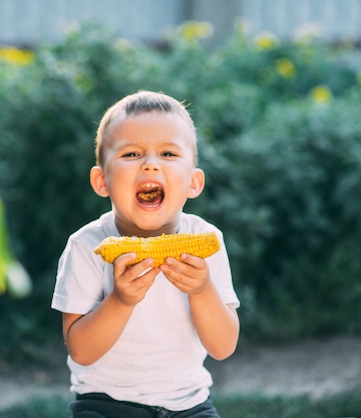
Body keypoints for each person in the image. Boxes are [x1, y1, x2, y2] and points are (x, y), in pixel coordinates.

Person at [51, 90, 240, 418]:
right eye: (131, 154)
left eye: (168, 153)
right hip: (106, 403)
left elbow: (223, 347)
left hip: (189, 404)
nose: (151, 164)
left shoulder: (207, 240)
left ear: (194, 183)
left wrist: (202, 289)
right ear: (102, 181)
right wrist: (121, 301)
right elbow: (80, 350)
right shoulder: (86, 246)